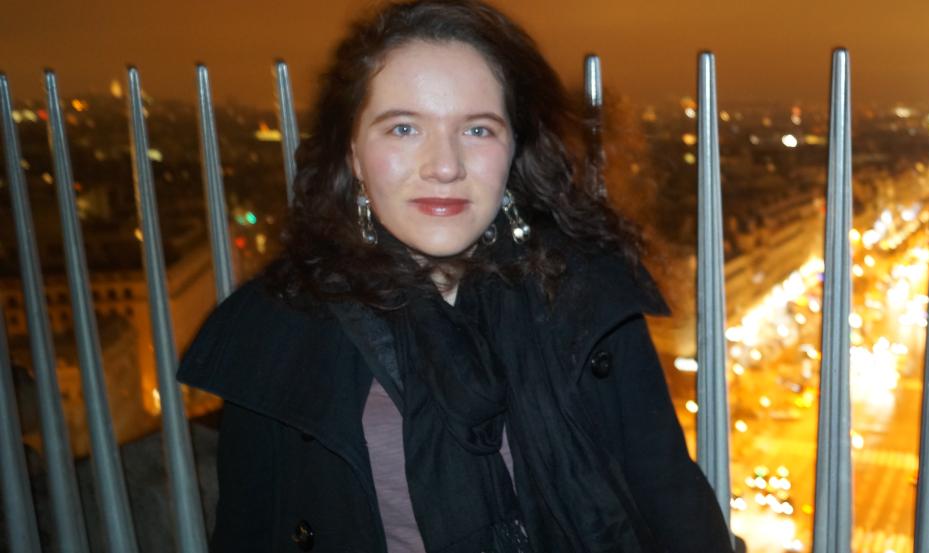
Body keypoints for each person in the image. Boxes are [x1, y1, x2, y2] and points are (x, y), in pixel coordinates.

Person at [177, 1, 733, 551]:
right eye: (403, 128)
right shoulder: (277, 332)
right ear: (353, 154)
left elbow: (674, 503)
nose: (444, 166)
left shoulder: (587, 295)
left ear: (513, 148)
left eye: (477, 130)